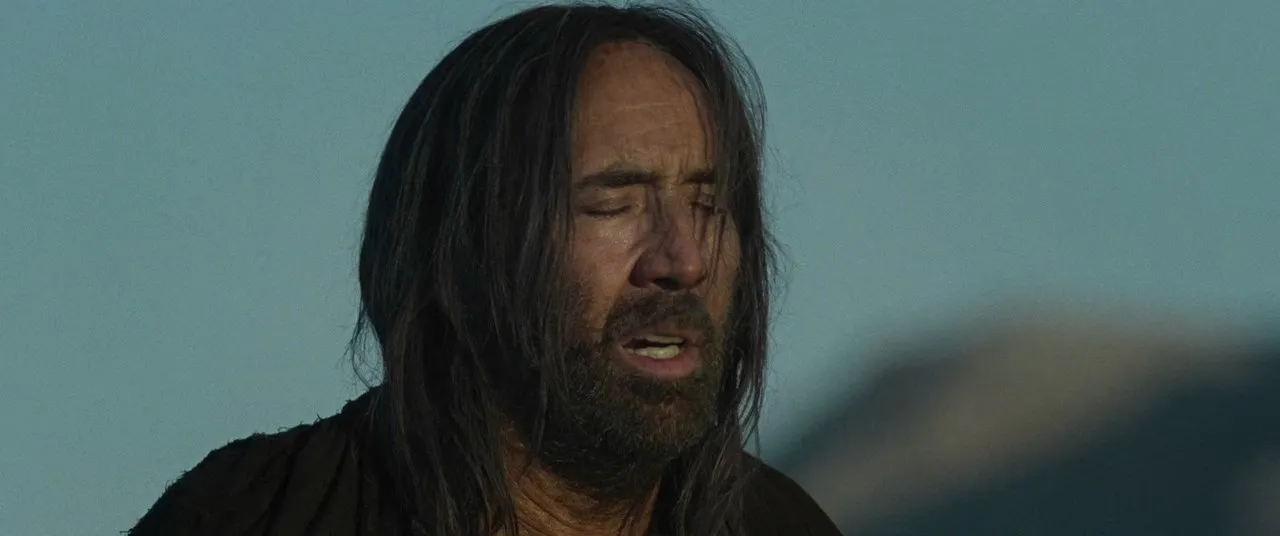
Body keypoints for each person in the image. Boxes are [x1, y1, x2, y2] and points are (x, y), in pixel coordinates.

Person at [128, 4, 840, 535]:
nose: (681, 260)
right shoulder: (252, 516)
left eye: (709, 206)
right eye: (613, 205)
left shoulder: (782, 526)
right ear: (465, 244)